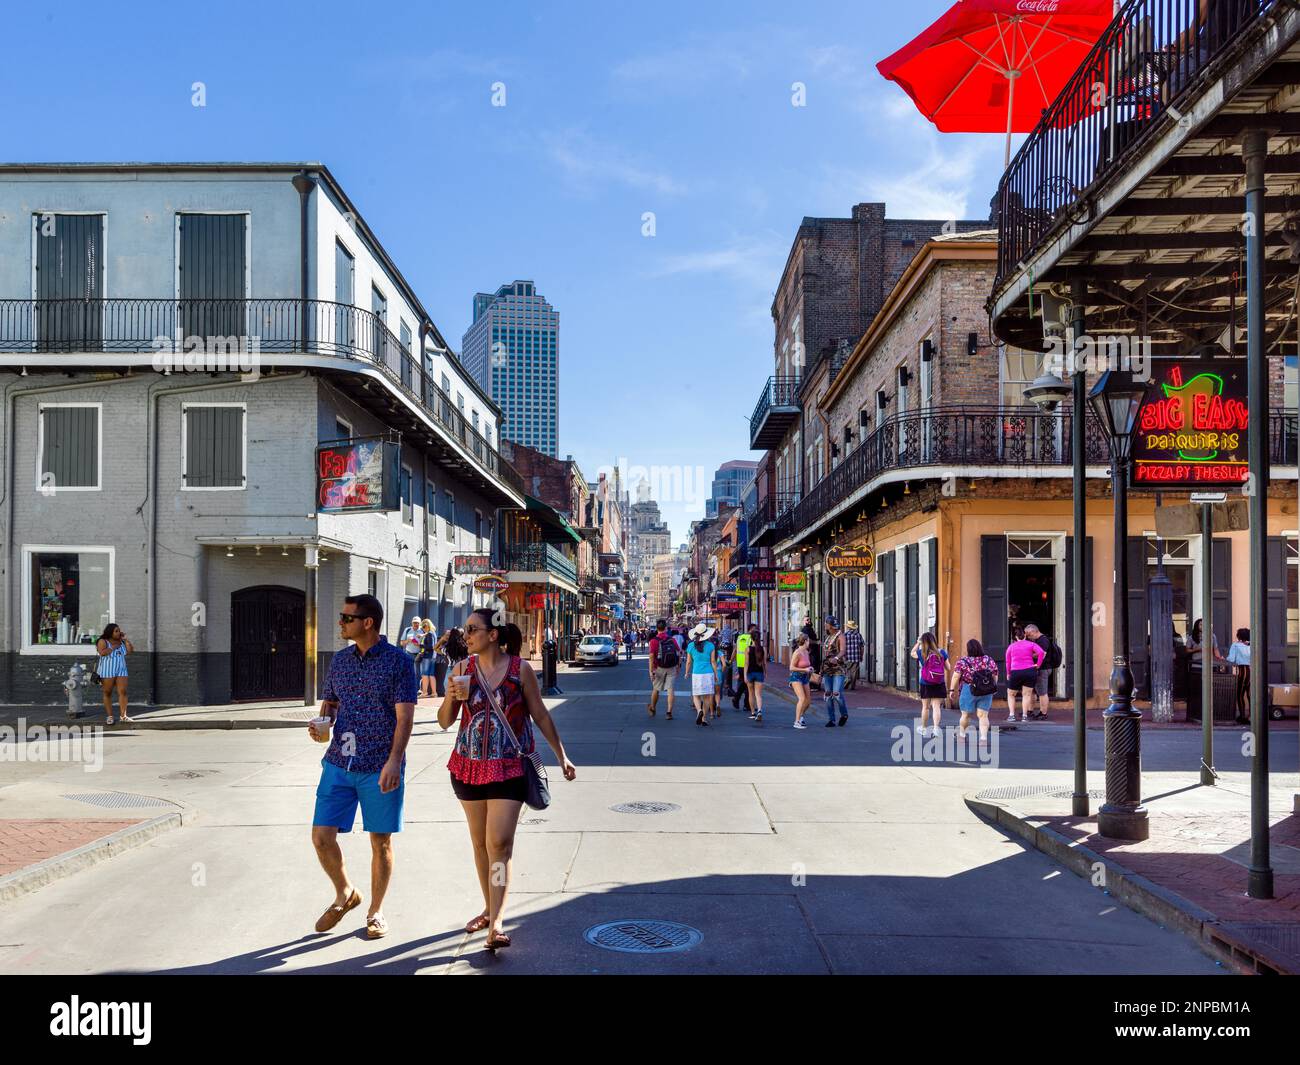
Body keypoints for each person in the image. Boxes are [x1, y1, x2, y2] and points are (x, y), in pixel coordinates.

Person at [439, 608, 576, 951]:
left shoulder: (520, 670)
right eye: (465, 629)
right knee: (480, 845)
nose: (465, 635)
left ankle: (497, 921)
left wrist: (561, 756)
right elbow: (444, 721)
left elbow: (540, 714)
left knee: (499, 844)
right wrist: (451, 698)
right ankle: (489, 907)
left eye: (472, 629)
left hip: (509, 767)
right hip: (468, 766)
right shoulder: (461, 670)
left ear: (493, 635)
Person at [309, 594, 417, 941]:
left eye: (346, 618)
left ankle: (376, 911)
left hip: (379, 765)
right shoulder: (340, 661)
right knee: (321, 837)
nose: (340, 623)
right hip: (339, 762)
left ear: (367, 622)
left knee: (380, 842)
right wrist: (321, 724)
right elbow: (331, 703)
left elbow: (405, 718)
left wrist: (394, 762)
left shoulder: (399, 662)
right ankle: (345, 893)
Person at [949, 638, 998, 747]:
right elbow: (995, 674)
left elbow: (956, 676)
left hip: (968, 689)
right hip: (986, 690)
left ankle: (961, 736)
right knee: (983, 715)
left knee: (965, 715)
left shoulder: (963, 661)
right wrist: (992, 687)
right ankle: (983, 739)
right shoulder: (988, 660)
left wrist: (952, 690)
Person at [911, 632, 950, 738]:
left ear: (924, 642)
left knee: (926, 707)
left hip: (925, 682)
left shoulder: (922, 653)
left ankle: (923, 728)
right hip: (939, 682)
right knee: (936, 707)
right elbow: (948, 668)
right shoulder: (941, 652)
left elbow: (912, 653)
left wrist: (918, 643)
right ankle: (936, 728)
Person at [95, 623, 133, 724]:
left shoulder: (121, 642)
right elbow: (102, 652)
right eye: (116, 631)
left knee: (123, 691)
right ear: (110, 632)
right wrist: (113, 647)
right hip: (107, 670)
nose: (118, 633)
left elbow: (129, 651)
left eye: (119, 631)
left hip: (121, 669)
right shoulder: (103, 641)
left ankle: (123, 716)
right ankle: (110, 716)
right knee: (107, 692)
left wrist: (126, 640)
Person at [1004, 629, 1046, 723]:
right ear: (1025, 636)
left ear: (1016, 637)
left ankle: (1011, 716)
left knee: (1011, 694)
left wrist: (1008, 673)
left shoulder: (1011, 647)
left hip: (1016, 672)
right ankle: (1024, 716)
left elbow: (1008, 662)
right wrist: (1038, 664)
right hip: (1030, 671)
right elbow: (1041, 653)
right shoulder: (1031, 644)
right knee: (1026, 695)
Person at [1024, 623, 1061, 721]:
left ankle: (1043, 713)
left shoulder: (1043, 640)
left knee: (1042, 692)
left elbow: (1042, 654)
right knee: (1033, 691)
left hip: (1042, 669)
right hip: (1037, 668)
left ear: (1034, 631)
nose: (1028, 637)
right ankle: (1030, 711)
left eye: (1029, 634)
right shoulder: (1037, 640)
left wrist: (1027, 654)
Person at [685, 624, 719, 726]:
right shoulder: (711, 645)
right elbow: (713, 661)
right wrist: (716, 674)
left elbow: (688, 662)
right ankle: (704, 718)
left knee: (696, 695)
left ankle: (699, 710)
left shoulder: (690, 646)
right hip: (708, 673)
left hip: (696, 673)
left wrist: (686, 672)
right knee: (707, 697)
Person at [647, 619, 680, 719]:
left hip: (659, 668)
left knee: (656, 689)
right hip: (671, 667)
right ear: (665, 628)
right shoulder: (672, 640)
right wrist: (678, 666)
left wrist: (650, 671)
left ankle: (652, 708)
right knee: (670, 689)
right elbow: (679, 653)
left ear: (657, 628)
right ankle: (669, 712)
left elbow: (651, 657)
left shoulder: (653, 641)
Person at [821, 616, 847, 727]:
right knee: (828, 694)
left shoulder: (840, 636)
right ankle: (831, 719)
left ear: (831, 625)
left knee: (836, 693)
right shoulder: (828, 636)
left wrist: (836, 658)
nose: (825, 625)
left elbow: (843, 650)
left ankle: (844, 714)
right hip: (827, 668)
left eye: (826, 624)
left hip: (838, 669)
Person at [743, 625, 767, 724]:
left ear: (751, 638)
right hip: (759, 673)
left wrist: (744, 675)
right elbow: (764, 663)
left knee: (751, 694)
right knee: (758, 694)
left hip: (750, 673)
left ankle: (753, 713)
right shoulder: (763, 649)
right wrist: (765, 672)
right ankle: (759, 711)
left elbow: (746, 663)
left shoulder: (748, 649)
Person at [1227, 627, 1251, 724]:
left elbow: (1231, 659)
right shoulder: (1251, 645)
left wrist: (1224, 658)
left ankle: (1242, 716)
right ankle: (1251, 716)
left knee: (1240, 695)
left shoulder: (1235, 645)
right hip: (1251, 671)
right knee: (1250, 695)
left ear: (1238, 636)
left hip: (1242, 672)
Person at [789, 634, 813, 728]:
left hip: (805, 677)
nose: (809, 643)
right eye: (808, 641)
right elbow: (791, 667)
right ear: (805, 641)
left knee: (808, 701)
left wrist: (810, 668)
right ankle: (797, 721)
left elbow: (806, 665)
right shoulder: (797, 652)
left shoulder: (806, 652)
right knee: (802, 698)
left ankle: (801, 716)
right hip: (796, 677)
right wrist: (804, 670)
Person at [732, 626, 753, 712]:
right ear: (751, 629)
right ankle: (746, 705)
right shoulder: (751, 638)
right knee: (748, 684)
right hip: (748, 664)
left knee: (744, 683)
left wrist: (731, 659)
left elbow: (735, 650)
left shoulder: (740, 637)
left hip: (740, 663)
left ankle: (737, 699)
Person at [418, 619, 438, 699]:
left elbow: (430, 646)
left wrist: (421, 645)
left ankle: (425, 692)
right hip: (433, 656)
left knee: (424, 674)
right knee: (431, 675)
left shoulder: (429, 634)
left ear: (427, 626)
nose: (423, 628)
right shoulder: (433, 633)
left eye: (424, 627)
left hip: (427, 656)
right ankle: (434, 693)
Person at [843, 619, 864, 690]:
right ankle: (852, 686)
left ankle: (847, 680)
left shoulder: (845, 635)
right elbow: (862, 646)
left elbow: (842, 647)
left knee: (847, 670)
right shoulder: (859, 635)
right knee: (854, 671)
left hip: (847, 656)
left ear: (848, 627)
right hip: (856, 656)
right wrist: (861, 655)